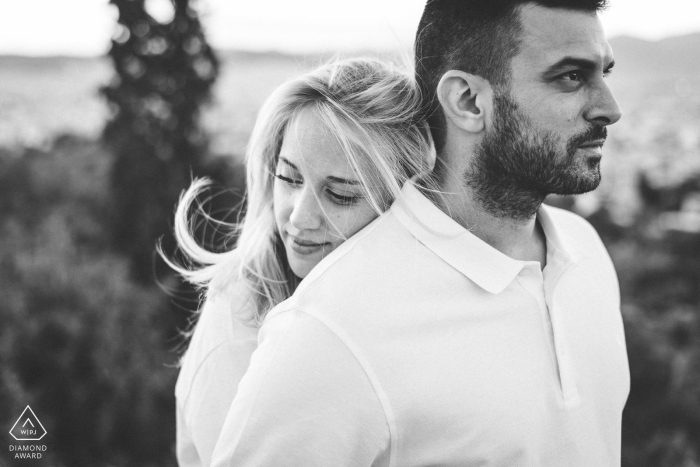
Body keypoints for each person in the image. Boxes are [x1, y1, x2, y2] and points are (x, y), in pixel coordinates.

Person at [211, 0, 630, 466]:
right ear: (468, 101)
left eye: (604, 73)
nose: (609, 108)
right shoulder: (331, 330)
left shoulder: (586, 252)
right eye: (571, 76)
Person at [165, 57, 434, 467]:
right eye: (289, 178)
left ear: (404, 202)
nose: (299, 216)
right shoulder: (238, 320)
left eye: (340, 195)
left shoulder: (418, 307)